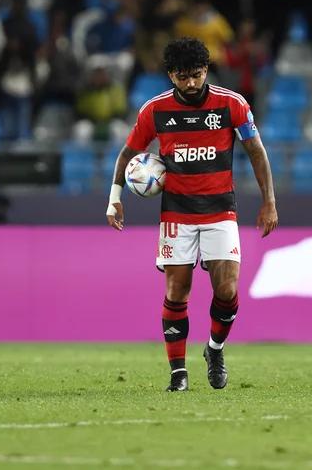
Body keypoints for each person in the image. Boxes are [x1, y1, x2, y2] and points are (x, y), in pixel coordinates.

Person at [105, 37, 278, 392]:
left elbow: (256, 152)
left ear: (206, 69)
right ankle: (177, 373)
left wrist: (269, 201)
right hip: (177, 214)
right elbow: (127, 155)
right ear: (170, 75)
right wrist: (114, 197)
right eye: (182, 77)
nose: (191, 83)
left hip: (220, 211)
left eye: (197, 75)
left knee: (227, 290)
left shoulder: (233, 105)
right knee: (177, 292)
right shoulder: (155, 111)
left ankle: (214, 350)